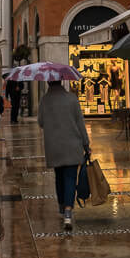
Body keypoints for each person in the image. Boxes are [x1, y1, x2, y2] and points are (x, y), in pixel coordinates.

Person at [37, 80, 91, 231]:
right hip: (72, 145)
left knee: (59, 177)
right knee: (70, 178)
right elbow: (80, 123)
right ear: (61, 81)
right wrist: (86, 145)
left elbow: (40, 122)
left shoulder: (45, 100)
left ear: (48, 82)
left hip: (54, 146)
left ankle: (62, 206)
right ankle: (68, 210)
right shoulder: (72, 98)